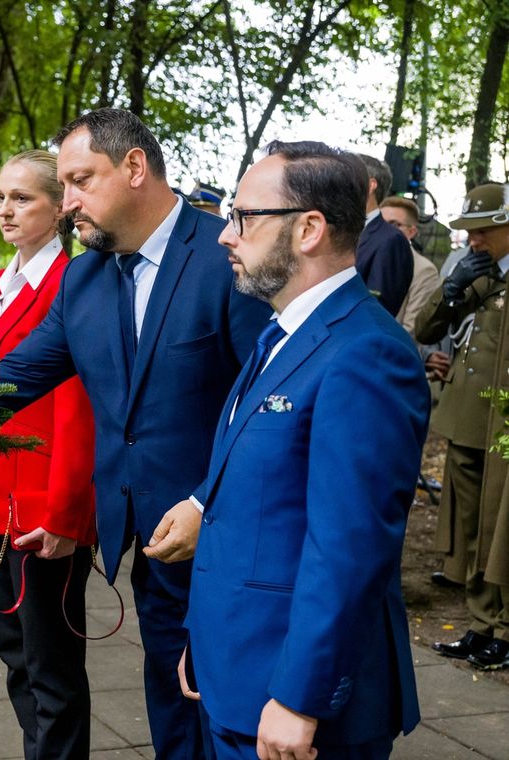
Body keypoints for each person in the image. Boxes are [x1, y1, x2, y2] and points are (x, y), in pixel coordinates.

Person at [0, 108, 269, 760]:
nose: (68, 204)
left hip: (231, 536)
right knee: (170, 696)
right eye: (62, 186)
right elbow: (16, 377)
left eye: (80, 180)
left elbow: (266, 404)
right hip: (148, 538)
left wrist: (210, 501)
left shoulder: (226, 257)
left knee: (235, 710)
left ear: (135, 167)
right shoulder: (85, 274)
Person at [174, 140, 427, 760]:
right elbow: (250, 502)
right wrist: (205, 640)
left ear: (309, 228)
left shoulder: (367, 352)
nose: (224, 236)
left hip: (290, 700)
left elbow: (350, 547)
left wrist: (300, 697)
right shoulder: (281, 334)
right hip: (236, 667)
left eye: (244, 217)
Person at [0, 150, 98, 759]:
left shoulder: (74, 284)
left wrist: (67, 515)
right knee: (16, 659)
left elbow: (78, 406)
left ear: (59, 208)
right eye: (1, 197)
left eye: (23, 198)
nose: (6, 211)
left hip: (40, 506)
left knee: (52, 670)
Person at [416, 183, 509, 672]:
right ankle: (481, 623)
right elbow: (425, 330)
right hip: (470, 421)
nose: (474, 240)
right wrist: (451, 292)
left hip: (502, 428)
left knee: (500, 531)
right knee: (471, 529)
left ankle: (505, 629)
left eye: (484, 231)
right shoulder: (479, 274)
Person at [355, 154, 413, 316]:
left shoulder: (391, 241)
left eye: (347, 178)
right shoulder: (342, 232)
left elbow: (378, 312)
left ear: (370, 185)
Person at [381, 195, 439, 337]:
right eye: (380, 224)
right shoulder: (361, 258)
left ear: (412, 232)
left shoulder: (423, 270)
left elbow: (411, 331)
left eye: (395, 225)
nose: (385, 230)